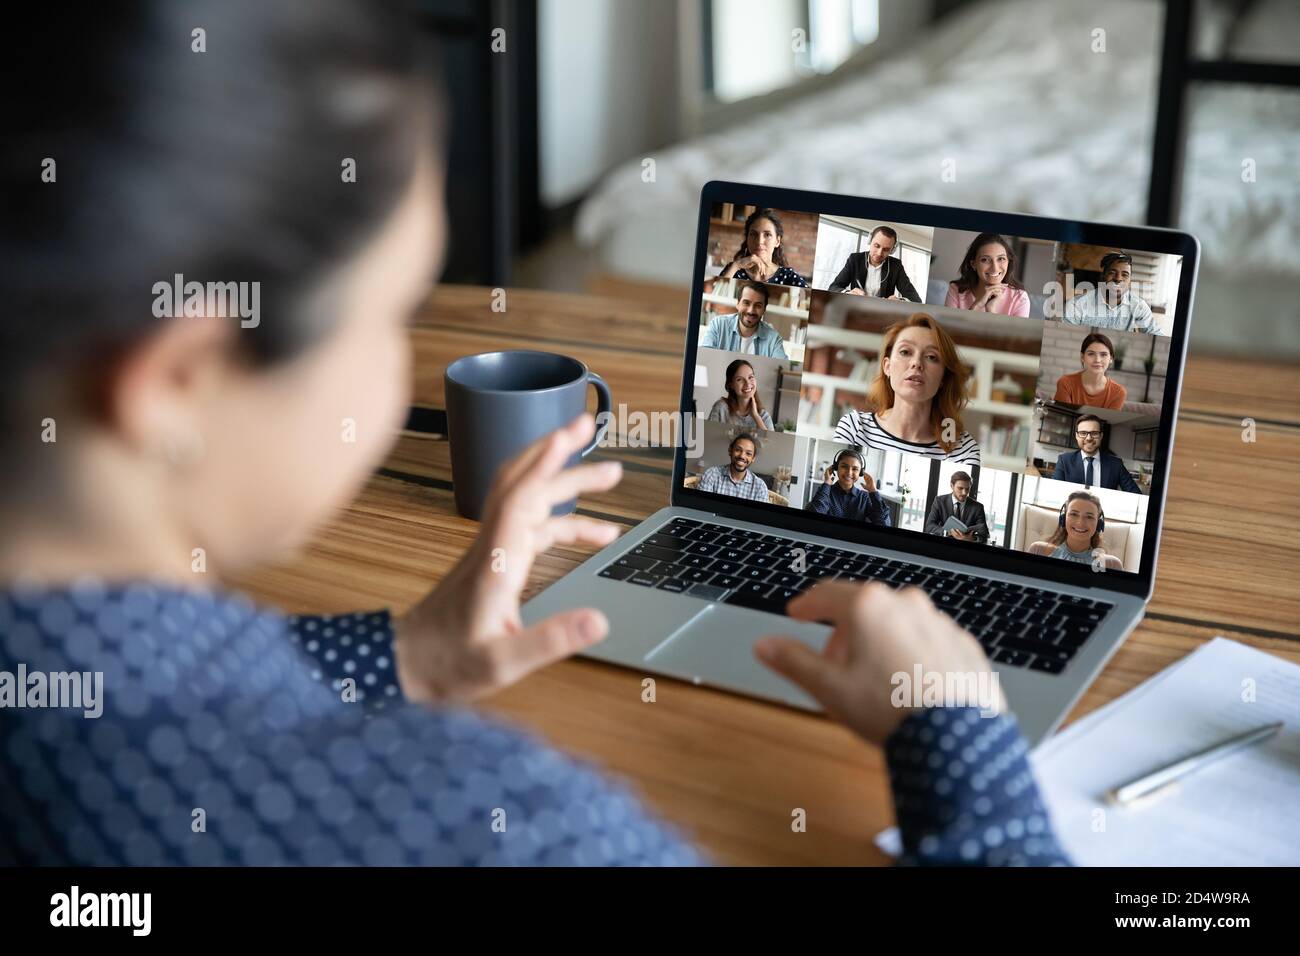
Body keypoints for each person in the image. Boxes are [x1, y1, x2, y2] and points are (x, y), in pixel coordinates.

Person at [1, 2, 1069, 868]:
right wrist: (959, 735)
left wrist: (400, 654)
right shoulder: (487, 821)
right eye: (396, 311)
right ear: (178, 380)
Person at [834, 313, 981, 466]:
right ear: (887, 366)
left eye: (931, 356)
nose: (916, 363)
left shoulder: (963, 450)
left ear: (943, 377)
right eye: (905, 352)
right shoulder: (854, 428)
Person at [1062, 251, 1159, 333]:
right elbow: (1065, 334)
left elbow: (1155, 332)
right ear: (1103, 276)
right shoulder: (1077, 305)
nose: (1118, 279)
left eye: (1125, 275)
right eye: (1112, 273)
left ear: (1130, 281)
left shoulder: (1139, 306)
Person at [1028, 491, 1124, 570]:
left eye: (1089, 517)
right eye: (1074, 514)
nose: (1080, 523)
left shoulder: (1112, 564)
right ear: (1063, 518)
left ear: (1099, 524)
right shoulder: (1038, 550)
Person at [1050, 414, 1143, 494]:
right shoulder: (1064, 460)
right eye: (1083, 433)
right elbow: (1053, 491)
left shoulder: (1116, 464)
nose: (1089, 438)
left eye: (1094, 433)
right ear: (1076, 436)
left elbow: (1136, 494)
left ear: (1101, 436)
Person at [717, 208, 809, 288]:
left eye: (767, 235)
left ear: (777, 241)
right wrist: (736, 265)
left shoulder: (789, 276)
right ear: (747, 239)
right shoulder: (733, 269)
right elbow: (712, 296)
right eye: (754, 234)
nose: (759, 241)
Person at [944, 233, 1030, 317]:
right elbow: (947, 330)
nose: (995, 268)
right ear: (973, 264)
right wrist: (977, 306)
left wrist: (991, 310)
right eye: (985, 260)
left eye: (1001, 259)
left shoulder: (1020, 298)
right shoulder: (956, 290)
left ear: (1008, 261)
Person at [826, 225, 921, 301]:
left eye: (886, 249)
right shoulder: (855, 259)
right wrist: (848, 293)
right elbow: (833, 287)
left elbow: (915, 299)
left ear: (892, 250)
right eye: (876, 246)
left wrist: (900, 301)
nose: (879, 253)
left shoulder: (896, 266)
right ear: (869, 241)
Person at [698, 282, 788, 359]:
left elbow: (783, 368)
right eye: (746, 303)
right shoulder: (718, 325)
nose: (751, 311)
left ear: (764, 310)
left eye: (758, 306)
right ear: (738, 304)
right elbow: (704, 359)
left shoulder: (773, 339)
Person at [806, 448, 891, 525]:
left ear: (860, 473)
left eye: (855, 469)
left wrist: (873, 491)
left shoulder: (864, 498)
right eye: (844, 466)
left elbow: (884, 524)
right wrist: (827, 483)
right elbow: (811, 522)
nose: (849, 472)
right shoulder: (825, 492)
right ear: (836, 468)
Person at [1053, 332, 1127, 410]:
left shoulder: (1118, 393)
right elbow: (1062, 417)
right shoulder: (1066, 383)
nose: (1097, 360)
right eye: (1091, 354)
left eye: (1103, 354)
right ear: (1082, 357)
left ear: (1111, 359)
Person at [694, 433, 771, 502]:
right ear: (730, 451)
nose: (742, 456)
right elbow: (701, 506)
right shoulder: (711, 474)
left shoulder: (760, 487)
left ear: (753, 458)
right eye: (738, 450)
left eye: (748, 453)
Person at [708, 359, 772, 432]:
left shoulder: (763, 415)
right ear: (731, 384)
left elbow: (770, 442)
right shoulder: (721, 408)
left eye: (750, 377)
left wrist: (756, 416)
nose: (747, 384)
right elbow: (707, 437)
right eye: (739, 379)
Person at [924, 471, 989, 542]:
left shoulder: (978, 507)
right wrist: (948, 532)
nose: (964, 493)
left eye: (967, 489)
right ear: (952, 486)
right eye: (960, 488)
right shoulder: (939, 501)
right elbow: (929, 526)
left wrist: (972, 539)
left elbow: (985, 534)